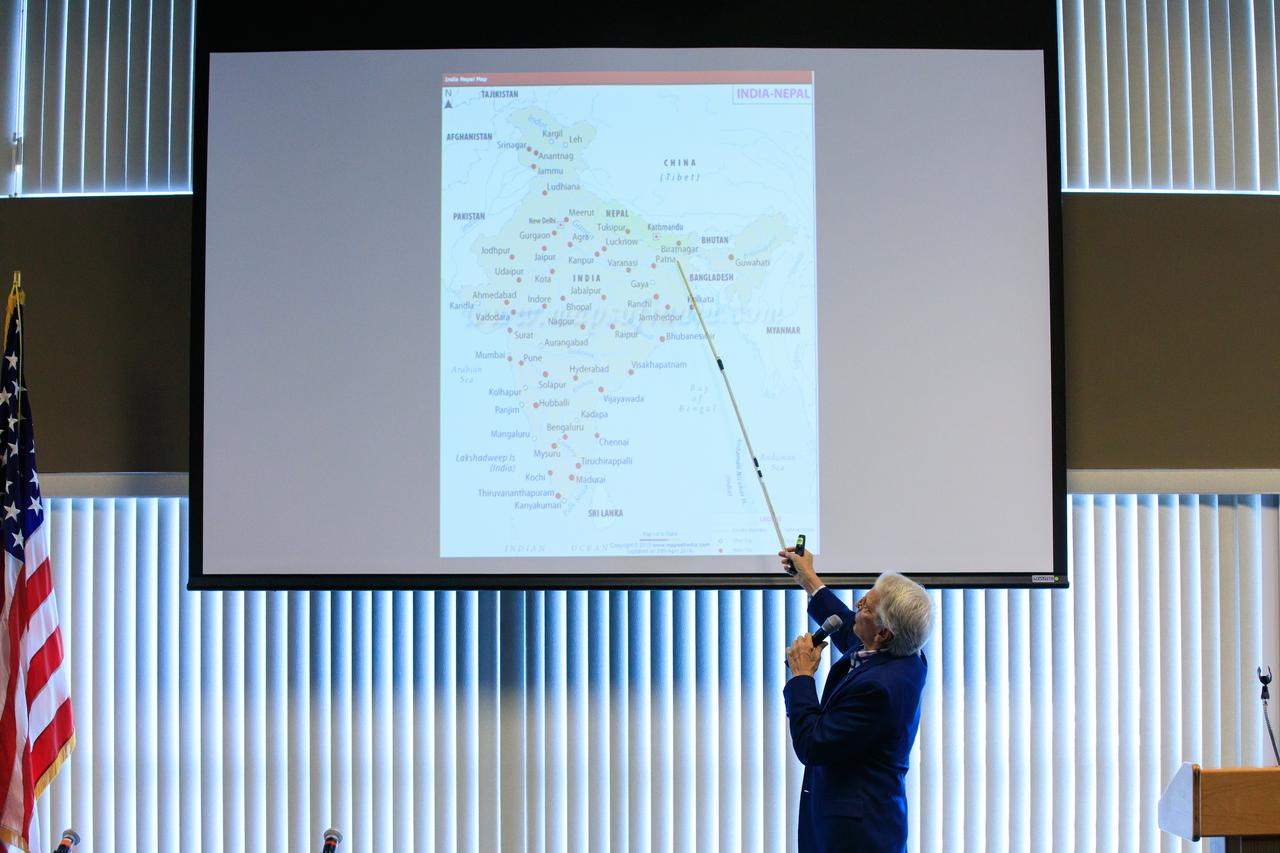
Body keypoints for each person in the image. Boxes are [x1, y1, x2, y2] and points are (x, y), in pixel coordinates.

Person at [780, 546, 934, 853]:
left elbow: (813, 743)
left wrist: (802, 676)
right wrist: (810, 580)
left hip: (857, 836)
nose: (858, 603)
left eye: (866, 606)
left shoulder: (879, 690)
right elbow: (850, 628)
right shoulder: (906, 655)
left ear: (883, 633)